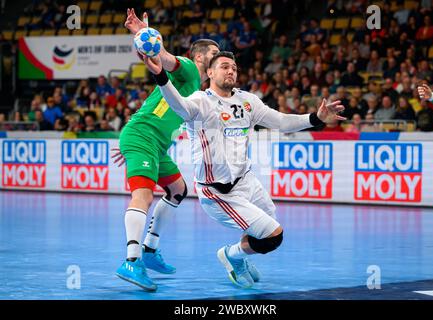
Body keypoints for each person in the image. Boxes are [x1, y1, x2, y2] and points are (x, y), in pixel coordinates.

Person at [141, 51, 345, 288]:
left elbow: (280, 121)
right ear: (209, 73)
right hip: (218, 193)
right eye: (224, 66)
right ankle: (231, 255)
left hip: (247, 181)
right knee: (273, 236)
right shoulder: (199, 101)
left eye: (234, 68)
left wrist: (315, 118)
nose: (231, 71)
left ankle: (238, 259)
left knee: (265, 227)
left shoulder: (247, 100)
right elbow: (178, 103)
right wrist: (160, 75)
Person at [113, 8, 220, 291]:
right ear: (199, 57)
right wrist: (140, 33)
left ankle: (150, 250)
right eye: (214, 53)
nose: (219, 57)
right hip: (143, 136)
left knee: (178, 189)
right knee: (143, 195)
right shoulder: (188, 68)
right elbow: (165, 59)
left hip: (152, 143)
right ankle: (132, 260)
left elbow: (155, 61)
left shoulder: (200, 90)